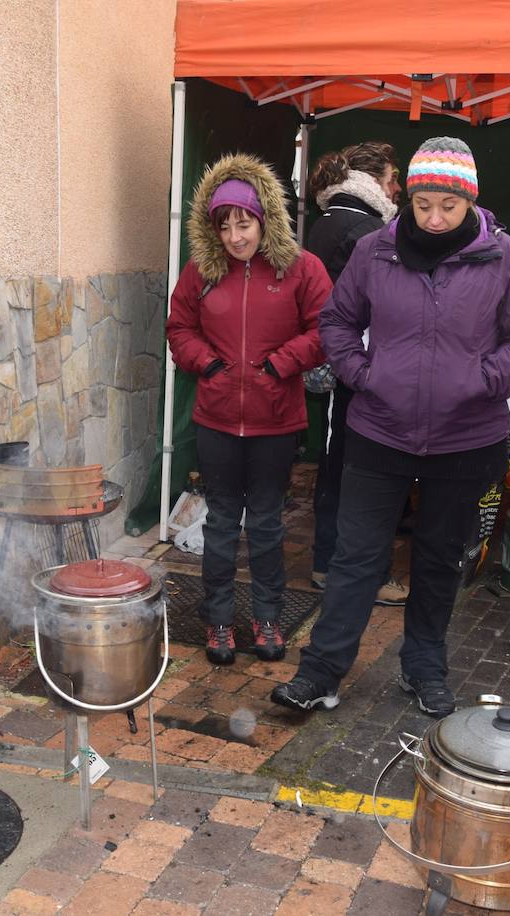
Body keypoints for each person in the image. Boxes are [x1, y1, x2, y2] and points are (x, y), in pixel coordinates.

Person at [271, 137, 510, 717]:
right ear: (410, 197)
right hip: (379, 429)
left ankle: (424, 668)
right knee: (356, 557)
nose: (435, 217)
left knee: (440, 557)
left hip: (465, 437)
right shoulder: (375, 251)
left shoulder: (504, 257)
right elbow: (338, 321)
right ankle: (321, 672)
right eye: (424, 204)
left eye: (448, 205)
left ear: (469, 200)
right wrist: (363, 375)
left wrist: (482, 380)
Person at [166, 153, 329, 666]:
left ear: (265, 218)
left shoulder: (301, 268)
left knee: (264, 524)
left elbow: (326, 330)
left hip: (276, 420)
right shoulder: (201, 272)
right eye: (225, 226)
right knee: (219, 524)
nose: (236, 236)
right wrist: (207, 365)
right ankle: (217, 620)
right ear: (212, 228)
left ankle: (267, 617)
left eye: (244, 222)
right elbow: (179, 328)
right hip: (216, 420)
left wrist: (280, 365)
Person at [303, 140, 409, 607]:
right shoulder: (366, 229)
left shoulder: (326, 223)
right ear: (374, 180)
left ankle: (329, 562)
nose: (399, 187)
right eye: (393, 178)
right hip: (359, 370)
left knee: (336, 466)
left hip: (335, 367)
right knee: (358, 472)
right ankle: (351, 570)